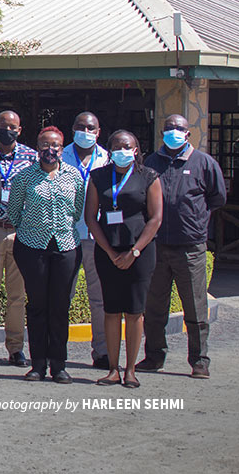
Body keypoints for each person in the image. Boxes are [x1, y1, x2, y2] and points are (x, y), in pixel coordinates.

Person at [139, 114, 226, 379]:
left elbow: (217, 198)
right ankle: (154, 357)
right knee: (154, 307)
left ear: (188, 134)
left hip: (190, 247)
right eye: (169, 129)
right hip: (157, 246)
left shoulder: (204, 163)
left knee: (196, 308)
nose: (174, 132)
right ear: (162, 133)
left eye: (179, 129)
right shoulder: (151, 162)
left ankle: (199, 361)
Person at [4, 126, 85, 383]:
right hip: (32, 247)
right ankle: (38, 363)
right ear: (37, 149)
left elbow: (77, 210)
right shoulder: (25, 177)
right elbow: (14, 212)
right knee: (37, 306)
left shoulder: (74, 176)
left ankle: (58, 364)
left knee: (60, 306)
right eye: (45, 146)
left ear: (62, 149)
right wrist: (32, 230)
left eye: (56, 146)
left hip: (65, 246)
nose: (50, 151)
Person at [85, 130, 163, 388]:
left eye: (127, 146)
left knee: (134, 312)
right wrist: (110, 251)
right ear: (110, 151)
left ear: (136, 149)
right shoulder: (99, 177)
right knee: (111, 310)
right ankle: (112, 369)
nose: (122, 151)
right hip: (108, 251)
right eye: (116, 147)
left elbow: (155, 219)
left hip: (139, 253)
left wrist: (134, 252)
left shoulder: (149, 176)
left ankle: (130, 370)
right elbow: (90, 218)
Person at [0, 109, 36, 367]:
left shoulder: (31, 158)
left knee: (17, 295)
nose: (8, 130)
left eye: (13, 127)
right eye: (4, 125)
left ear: (19, 130)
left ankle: (16, 348)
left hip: (20, 231)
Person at [61, 111, 111, 369]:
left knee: (99, 298)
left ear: (98, 131)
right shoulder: (60, 155)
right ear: (73, 129)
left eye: (91, 128)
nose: (86, 132)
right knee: (61, 296)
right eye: (81, 127)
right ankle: (56, 351)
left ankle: (102, 352)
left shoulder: (108, 158)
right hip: (65, 236)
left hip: (96, 237)